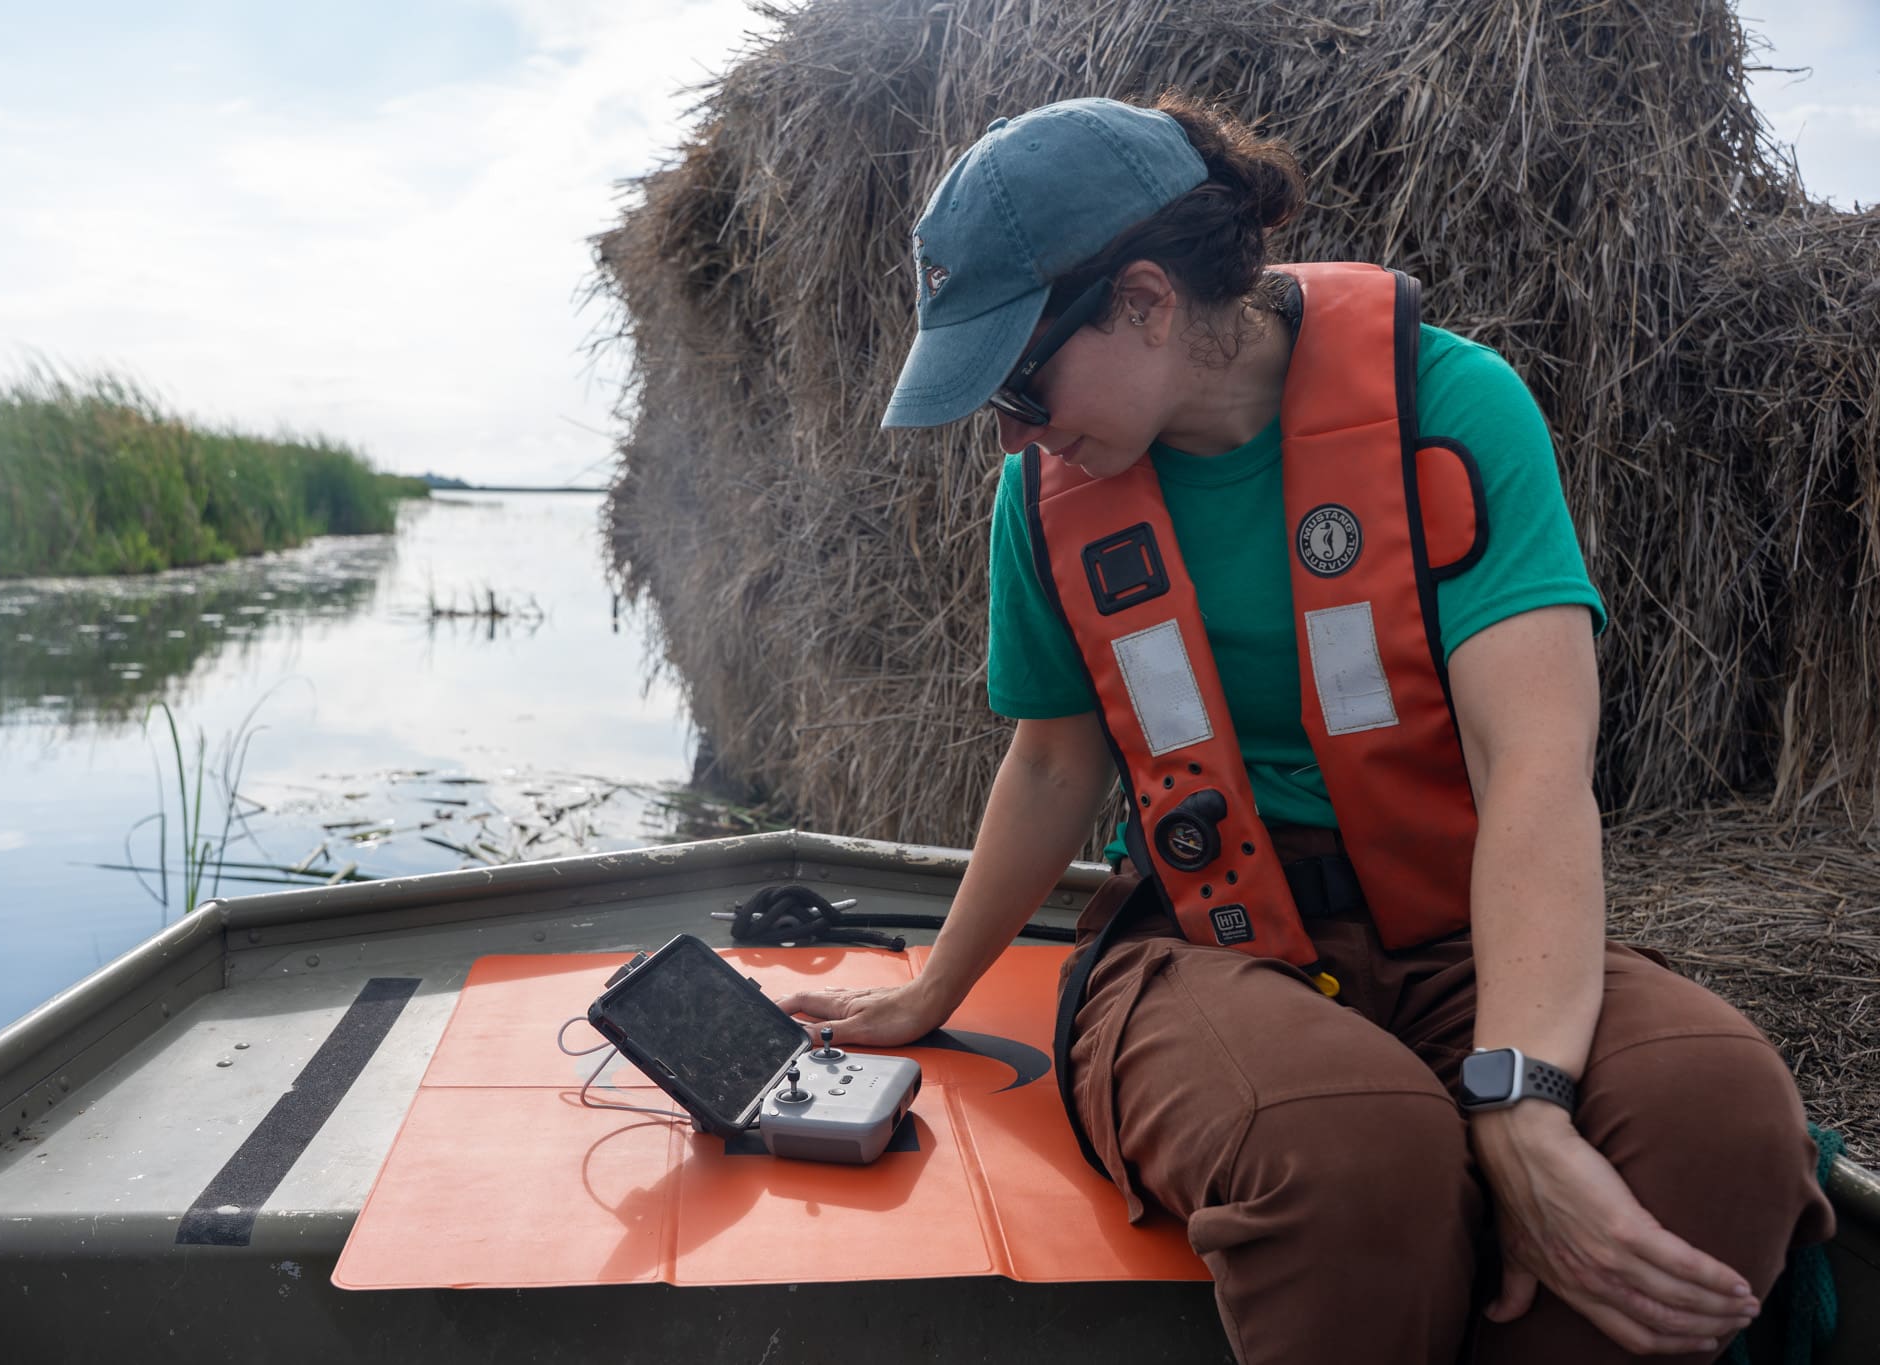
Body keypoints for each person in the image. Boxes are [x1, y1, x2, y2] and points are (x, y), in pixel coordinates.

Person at [777, 94, 1832, 1364]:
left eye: (1017, 381)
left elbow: (1534, 770)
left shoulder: (1454, 411)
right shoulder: (1044, 501)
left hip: (1457, 927)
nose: (1011, 432)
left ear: (1148, 303)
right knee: (1351, 1152)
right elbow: (1055, 761)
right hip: (1198, 945)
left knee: (1721, 1120)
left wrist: (1520, 1094)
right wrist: (934, 989)